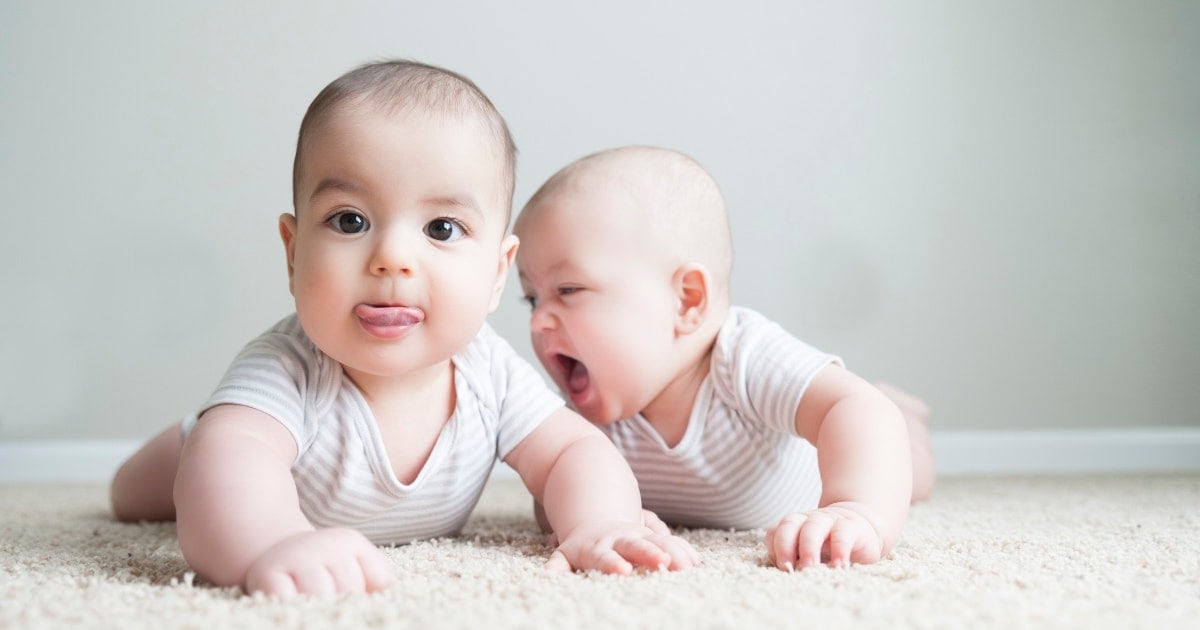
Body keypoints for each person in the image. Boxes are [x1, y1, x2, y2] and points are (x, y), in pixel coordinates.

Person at [110, 65, 698, 599]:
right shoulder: (287, 367)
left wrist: (599, 522)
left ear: (497, 273)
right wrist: (271, 542)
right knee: (153, 483)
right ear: (293, 255)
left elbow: (573, 450)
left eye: (442, 228)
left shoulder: (487, 371)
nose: (392, 258)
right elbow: (230, 465)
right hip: (211, 449)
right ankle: (187, 433)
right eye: (350, 221)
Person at [513, 145, 934, 572]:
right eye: (532, 299)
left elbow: (856, 409)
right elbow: (550, 499)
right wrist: (604, 518)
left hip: (821, 464)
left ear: (686, 300)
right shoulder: (589, 415)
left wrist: (855, 510)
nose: (539, 322)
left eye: (568, 290)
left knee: (899, 459)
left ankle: (907, 415)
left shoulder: (743, 357)